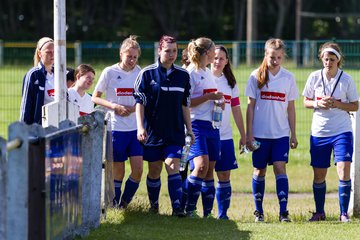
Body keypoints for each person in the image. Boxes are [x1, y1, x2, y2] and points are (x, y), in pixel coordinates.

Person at [133, 35, 193, 217]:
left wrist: (189, 129)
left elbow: (185, 105)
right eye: (168, 50)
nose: (172, 54)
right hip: (152, 132)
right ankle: (154, 206)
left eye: (174, 51)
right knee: (154, 169)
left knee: (172, 165)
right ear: (159, 50)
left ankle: (177, 208)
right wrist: (140, 128)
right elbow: (139, 103)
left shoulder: (183, 76)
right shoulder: (146, 74)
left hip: (174, 132)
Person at [302, 42, 359, 223]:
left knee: (343, 169)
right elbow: (306, 101)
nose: (328, 62)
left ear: (338, 60)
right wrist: (318, 103)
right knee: (319, 174)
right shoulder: (314, 77)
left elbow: (355, 105)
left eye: (332, 59)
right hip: (319, 132)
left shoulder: (346, 79)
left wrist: (337, 104)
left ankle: (344, 214)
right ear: (322, 59)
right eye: (326, 59)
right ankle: (320, 212)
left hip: (342, 131)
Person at [245, 38, 298, 222]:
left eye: (278, 57)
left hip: (281, 134)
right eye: (272, 57)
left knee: (279, 166)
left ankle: (283, 212)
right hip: (260, 135)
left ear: (283, 57)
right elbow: (250, 106)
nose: (275, 60)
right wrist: (248, 134)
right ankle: (258, 212)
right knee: (259, 170)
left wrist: (294, 133)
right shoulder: (255, 76)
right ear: (265, 55)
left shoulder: (288, 77)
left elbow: (291, 108)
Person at [92, 36, 143, 208]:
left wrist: (136, 107)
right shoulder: (110, 72)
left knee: (138, 170)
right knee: (118, 169)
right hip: (116, 128)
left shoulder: (139, 72)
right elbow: (95, 98)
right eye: (129, 56)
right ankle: (114, 204)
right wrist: (114, 106)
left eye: (135, 57)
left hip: (135, 129)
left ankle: (125, 204)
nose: (132, 60)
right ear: (121, 54)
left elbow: (143, 99)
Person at [184, 37, 223, 218]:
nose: (216, 53)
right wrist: (209, 98)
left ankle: (207, 215)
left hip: (212, 125)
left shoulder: (207, 72)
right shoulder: (191, 72)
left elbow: (211, 96)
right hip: (196, 124)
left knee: (209, 170)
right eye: (214, 50)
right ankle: (188, 208)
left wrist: (219, 102)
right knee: (200, 166)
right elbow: (186, 102)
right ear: (207, 52)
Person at [211, 45, 246, 220]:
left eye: (221, 59)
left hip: (224, 136)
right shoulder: (203, 77)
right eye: (215, 58)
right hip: (205, 134)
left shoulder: (230, 82)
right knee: (204, 172)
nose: (218, 61)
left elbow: (236, 109)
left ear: (227, 61)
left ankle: (222, 214)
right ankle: (203, 212)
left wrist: (243, 134)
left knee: (224, 174)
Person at [20, 37, 54, 124]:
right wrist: (24, 129)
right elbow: (26, 105)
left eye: (54, 52)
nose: (52, 55)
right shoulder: (33, 75)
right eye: (48, 52)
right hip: (39, 128)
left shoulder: (61, 73)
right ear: (39, 53)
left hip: (59, 126)